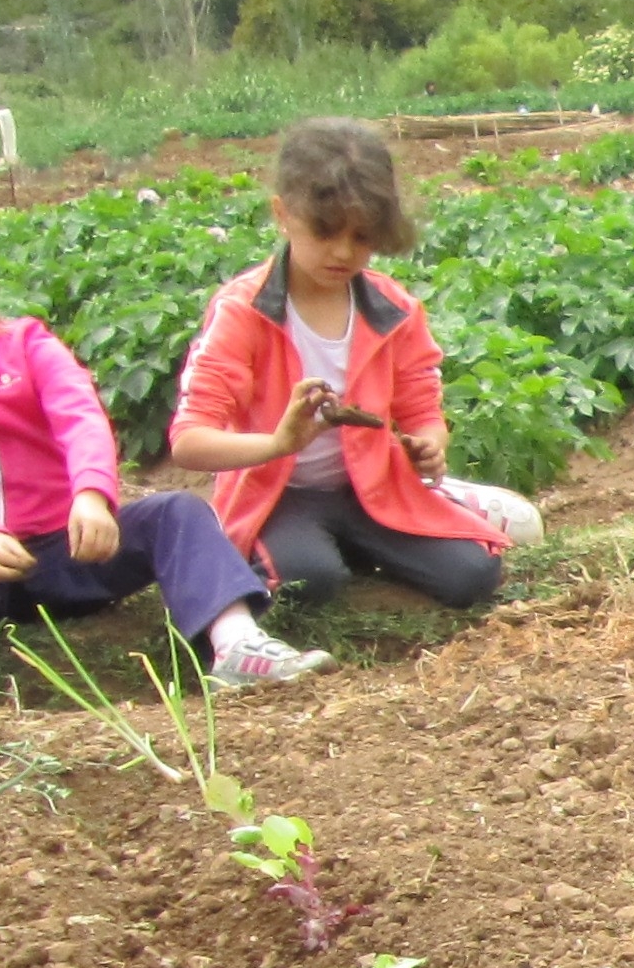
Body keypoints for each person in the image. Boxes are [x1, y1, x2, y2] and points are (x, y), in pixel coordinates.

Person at [0, 210, 327, 692]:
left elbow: (80, 417)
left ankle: (236, 643)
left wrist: (92, 495)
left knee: (177, 512)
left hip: (72, 551)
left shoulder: (26, 346)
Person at [166, 120, 537, 613]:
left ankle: (431, 504)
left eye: (361, 236)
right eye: (324, 231)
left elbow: (422, 410)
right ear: (282, 214)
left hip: (371, 488)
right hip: (277, 494)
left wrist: (429, 445)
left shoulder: (394, 309)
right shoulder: (243, 311)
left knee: (472, 575)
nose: (342, 252)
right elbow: (188, 442)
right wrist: (279, 444)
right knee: (307, 582)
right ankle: (324, 547)